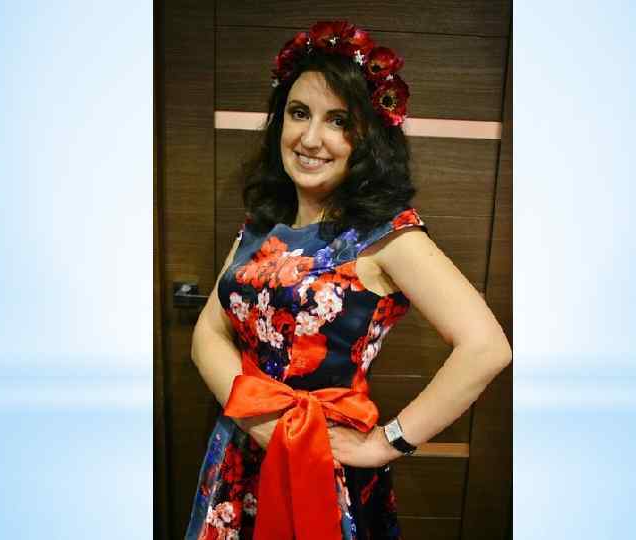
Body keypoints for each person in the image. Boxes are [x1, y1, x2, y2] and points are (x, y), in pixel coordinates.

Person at [185, 20, 512, 540]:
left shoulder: (387, 236)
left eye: (338, 121)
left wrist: (387, 442)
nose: (311, 138)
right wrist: (256, 420)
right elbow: (208, 333)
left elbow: (486, 347)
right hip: (241, 452)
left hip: (324, 462)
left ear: (368, 137)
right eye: (299, 113)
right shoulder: (262, 225)